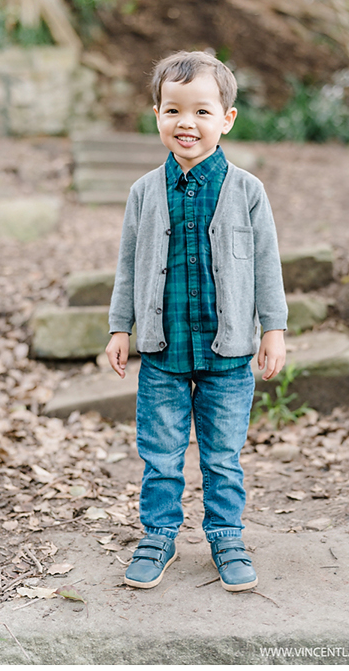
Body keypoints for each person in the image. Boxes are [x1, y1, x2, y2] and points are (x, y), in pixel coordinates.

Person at [106, 50, 288, 594]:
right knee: (160, 455)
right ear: (157, 114)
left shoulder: (247, 190)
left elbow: (266, 265)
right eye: (173, 110)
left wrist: (273, 329)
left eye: (202, 112)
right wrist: (121, 327)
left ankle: (227, 536)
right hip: (162, 352)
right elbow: (128, 264)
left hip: (228, 353)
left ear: (226, 119)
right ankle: (158, 536)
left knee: (223, 456)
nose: (186, 123)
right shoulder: (144, 192)